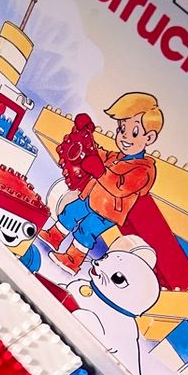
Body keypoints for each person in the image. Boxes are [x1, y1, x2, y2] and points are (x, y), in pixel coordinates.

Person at [39, 92, 162, 274]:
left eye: (134, 132)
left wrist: (100, 172)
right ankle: (54, 236)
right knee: (70, 212)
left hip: (108, 211)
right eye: (122, 129)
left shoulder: (143, 169)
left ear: (149, 138)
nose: (124, 137)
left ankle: (72, 260)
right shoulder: (117, 157)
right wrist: (86, 135)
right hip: (91, 197)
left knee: (86, 229)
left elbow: (120, 187)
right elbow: (98, 155)